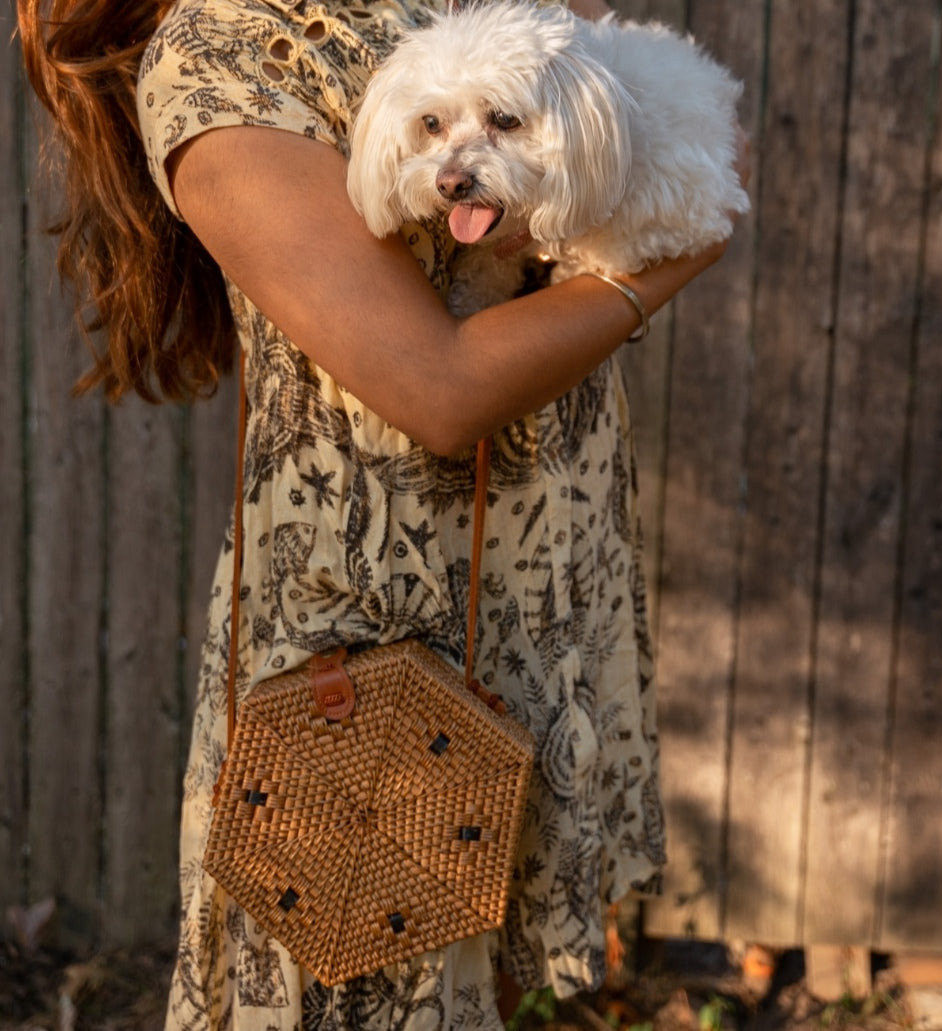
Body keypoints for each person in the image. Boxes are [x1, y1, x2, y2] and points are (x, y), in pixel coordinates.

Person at [19, 0, 748, 1027]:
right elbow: (438, 386)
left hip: (531, 577)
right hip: (372, 612)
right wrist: (679, 246)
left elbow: (622, 88)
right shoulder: (223, 59)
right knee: (363, 981)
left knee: (480, 975)